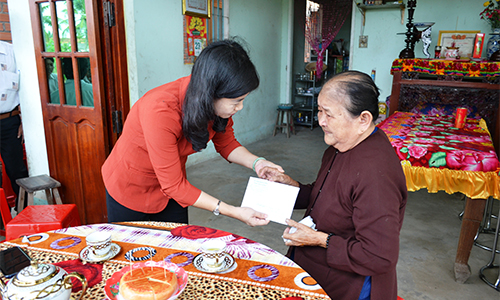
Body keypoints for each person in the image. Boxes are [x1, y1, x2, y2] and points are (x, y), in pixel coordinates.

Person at [102, 39, 283, 226]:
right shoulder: (160, 110)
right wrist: (233, 211)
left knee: (179, 246)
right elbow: (174, 186)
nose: (240, 107)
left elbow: (227, 144)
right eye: (236, 101)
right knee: (133, 250)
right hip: (131, 188)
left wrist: (258, 163)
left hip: (173, 189)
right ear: (212, 92)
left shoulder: (214, 105)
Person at [261, 71, 407, 300]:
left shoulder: (376, 174)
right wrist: (290, 185)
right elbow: (327, 197)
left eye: (328, 114)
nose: (321, 121)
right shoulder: (342, 145)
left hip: (350, 284)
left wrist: (319, 239)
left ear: (363, 120)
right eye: (320, 110)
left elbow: (379, 256)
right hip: (318, 266)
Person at [0, 41, 28, 211]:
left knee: (17, 172)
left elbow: (26, 90)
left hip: (9, 122)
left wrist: (25, 121)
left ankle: (24, 213)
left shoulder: (11, 52)